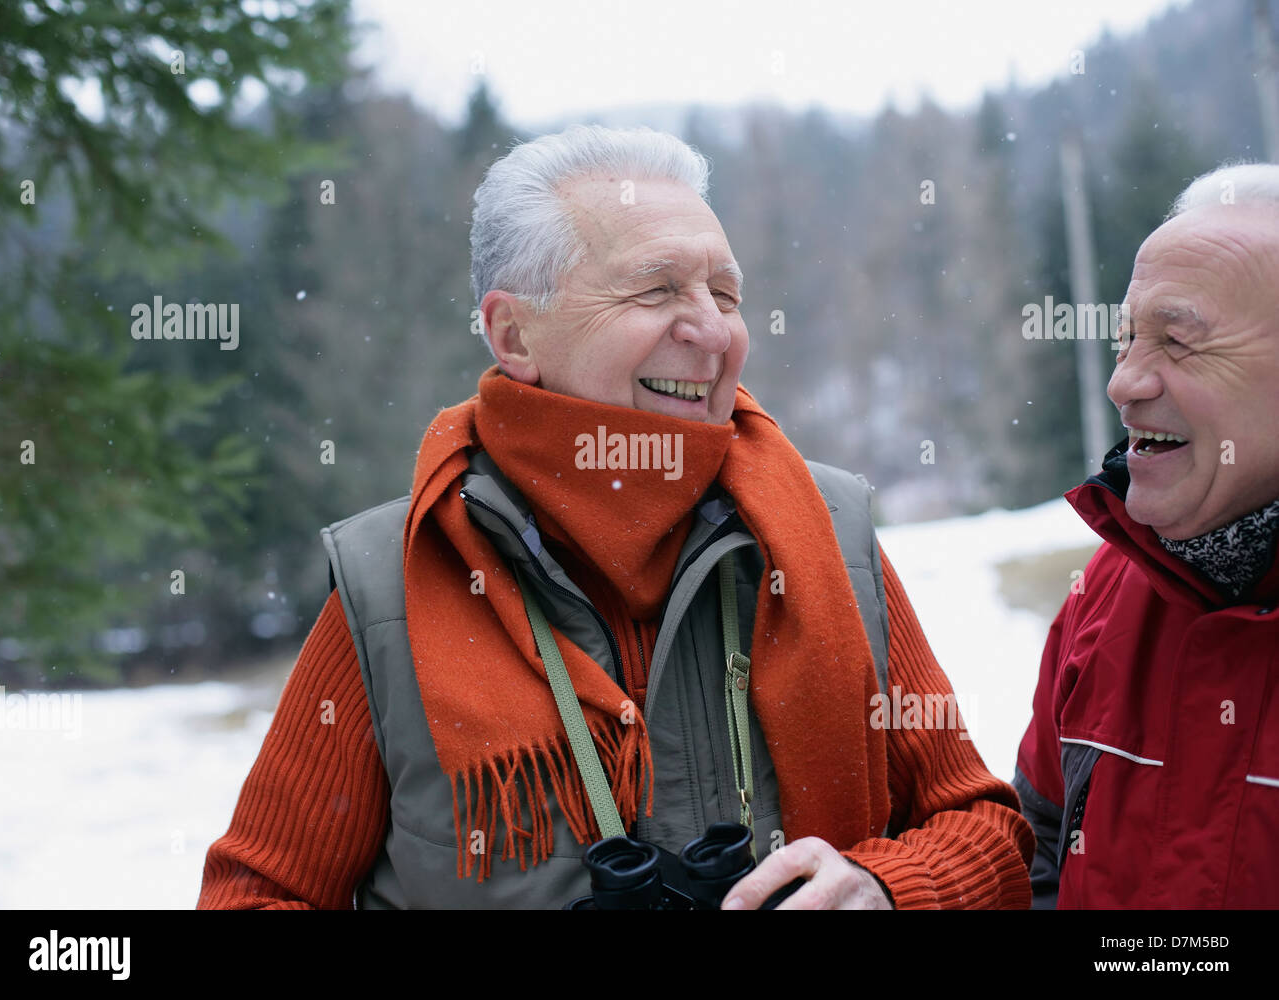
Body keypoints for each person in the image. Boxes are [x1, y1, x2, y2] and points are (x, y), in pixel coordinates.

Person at [198, 124, 1032, 910]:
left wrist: (885, 887)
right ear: (514, 333)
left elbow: (988, 832)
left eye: (726, 293)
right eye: (656, 289)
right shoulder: (395, 578)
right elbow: (254, 893)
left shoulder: (826, 530)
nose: (713, 332)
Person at [1014, 162, 1279, 908]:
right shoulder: (1106, 588)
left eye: (1179, 341)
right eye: (1127, 339)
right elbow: (1033, 855)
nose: (1124, 382)